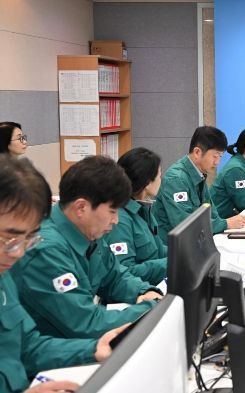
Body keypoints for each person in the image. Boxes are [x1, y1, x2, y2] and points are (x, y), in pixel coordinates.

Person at [0, 155, 126, 393]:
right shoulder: (45, 251)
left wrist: (94, 349)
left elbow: (28, 347)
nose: (19, 253)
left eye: (28, 238)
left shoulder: (3, 273)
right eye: (10, 238)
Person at [10, 156, 162, 339]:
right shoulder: (46, 251)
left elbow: (114, 277)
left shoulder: (88, 231)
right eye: (112, 211)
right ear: (81, 208)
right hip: (56, 350)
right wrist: (151, 309)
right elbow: (85, 323)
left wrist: (143, 291)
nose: (116, 220)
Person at [154, 126, 245, 241]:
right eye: (215, 156)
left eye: (220, 157)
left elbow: (211, 212)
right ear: (197, 152)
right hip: (173, 246)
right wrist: (226, 224)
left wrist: (224, 222)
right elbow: (184, 225)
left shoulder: (199, 173)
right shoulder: (176, 179)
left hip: (196, 241)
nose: (217, 162)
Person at [102, 148, 167, 286]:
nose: (161, 180)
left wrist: (182, 253)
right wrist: (170, 264)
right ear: (147, 183)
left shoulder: (142, 208)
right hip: (138, 291)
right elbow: (126, 272)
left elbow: (157, 249)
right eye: (159, 176)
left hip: (152, 285)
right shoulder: (120, 220)